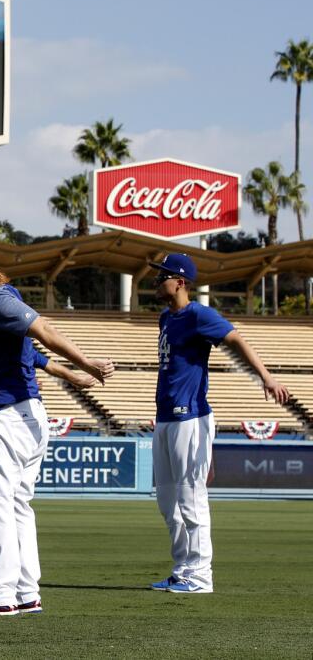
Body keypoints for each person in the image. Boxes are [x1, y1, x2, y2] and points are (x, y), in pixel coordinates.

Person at [0, 247, 114, 616]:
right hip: (22, 415)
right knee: (17, 508)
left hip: (5, 415)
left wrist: (87, 363)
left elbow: (42, 329)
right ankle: (27, 592)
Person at [148, 254, 288, 594]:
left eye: (162, 276)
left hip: (190, 416)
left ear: (180, 281)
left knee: (191, 497)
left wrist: (266, 378)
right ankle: (183, 569)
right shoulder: (167, 317)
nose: (157, 281)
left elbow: (236, 339)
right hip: (166, 418)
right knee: (168, 500)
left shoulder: (200, 315)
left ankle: (200, 576)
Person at [0, 309, 97, 580]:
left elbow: (45, 362)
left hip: (2, 419)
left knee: (4, 499)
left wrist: (76, 378)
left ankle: (0, 568)